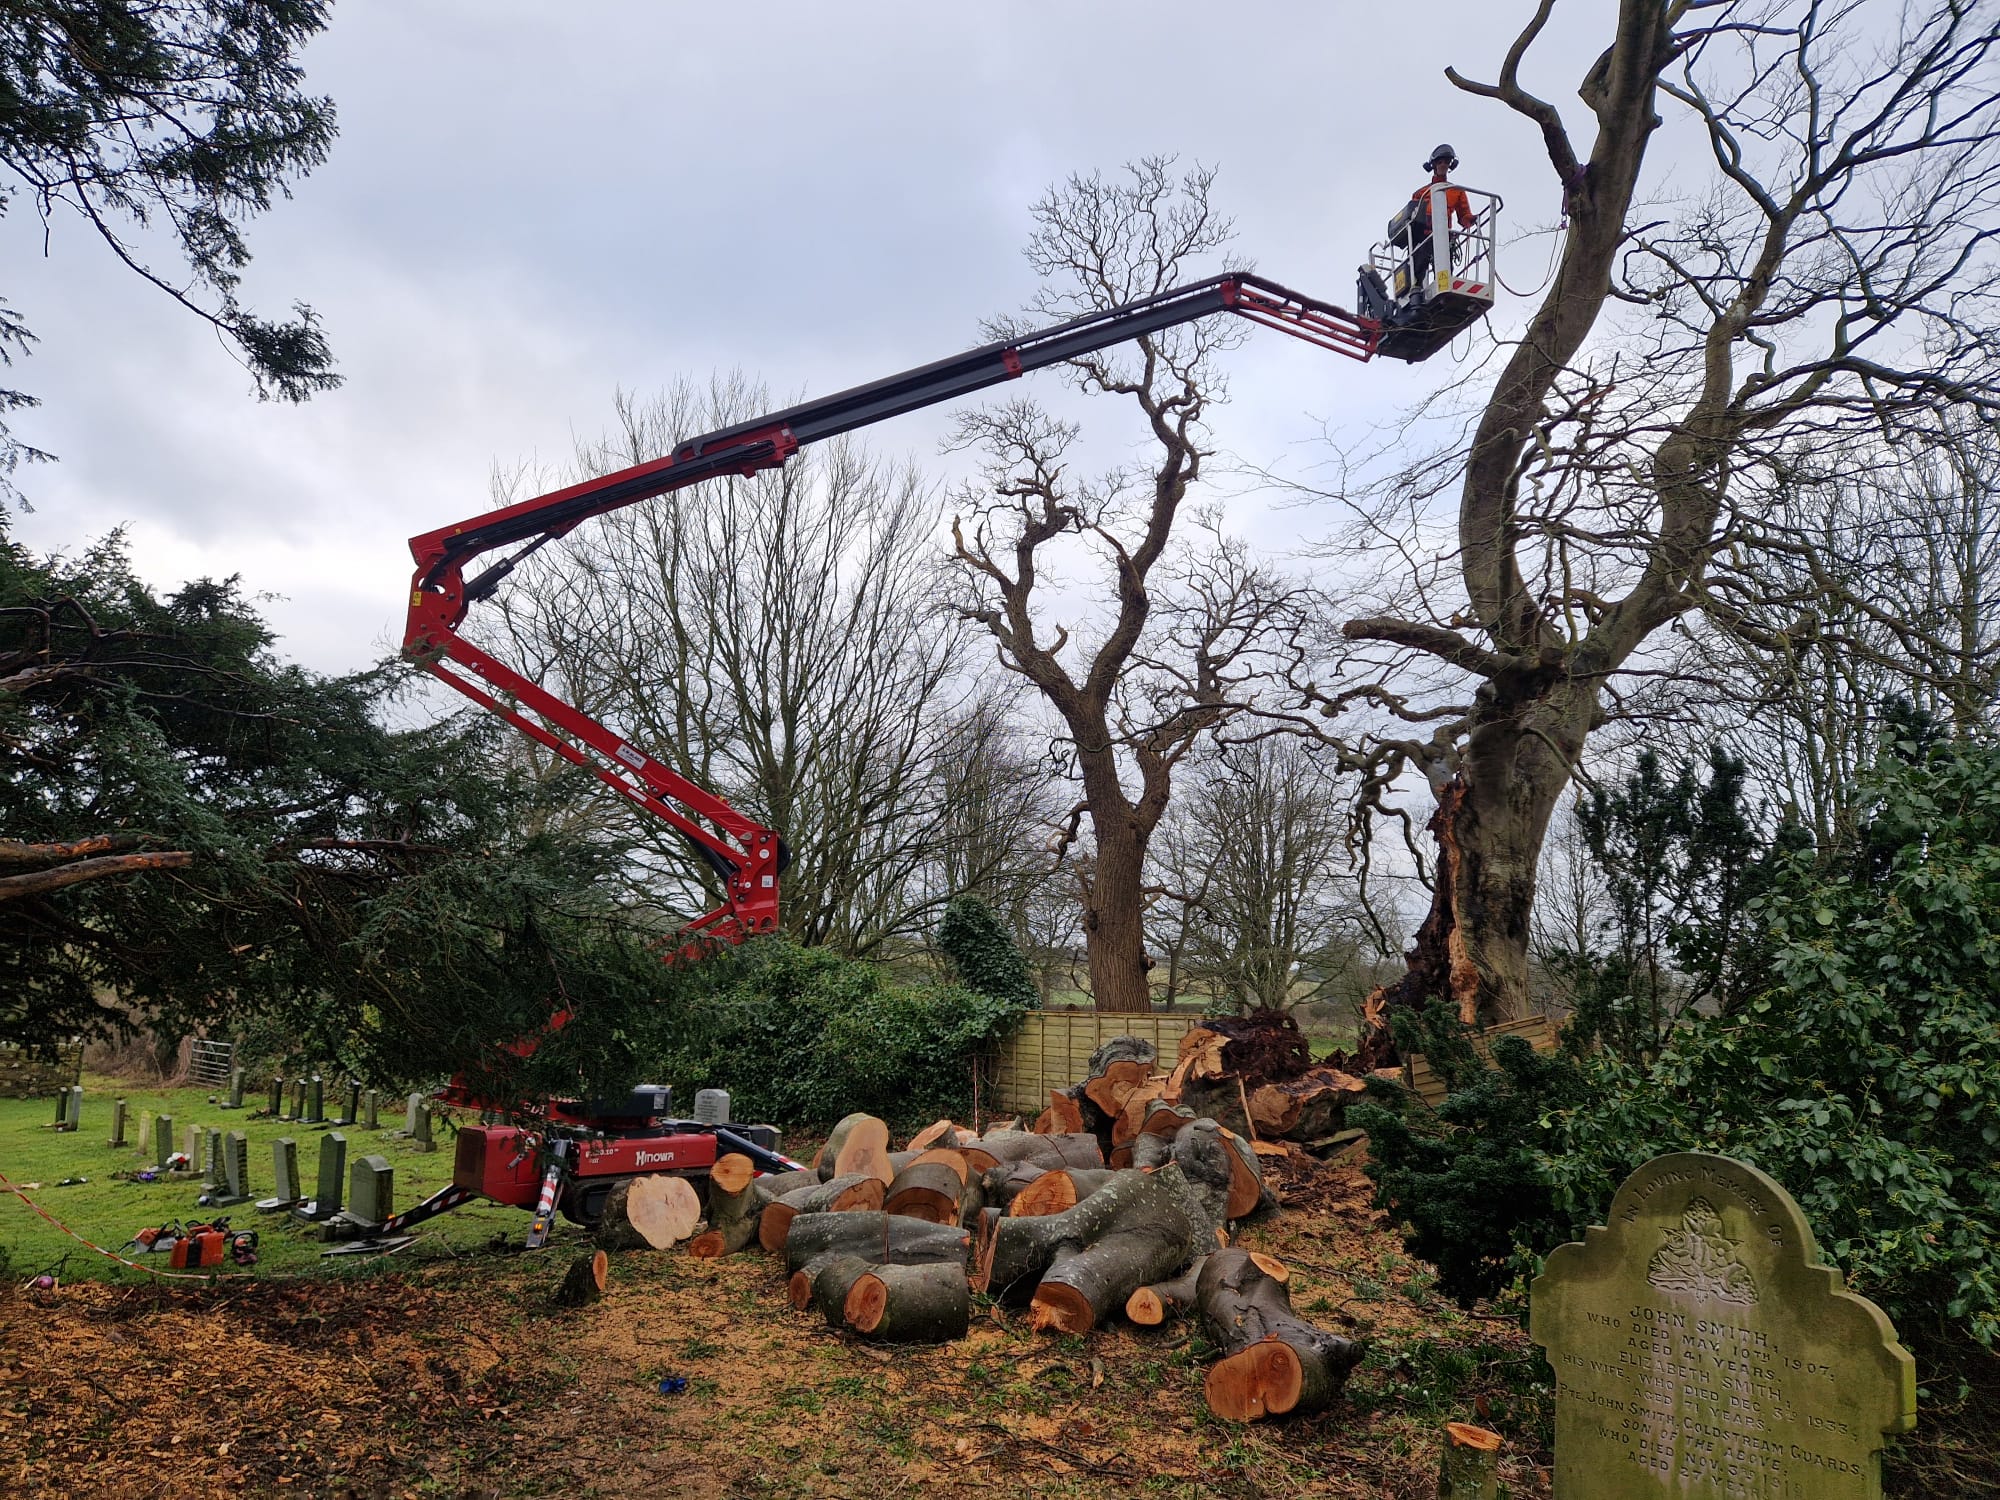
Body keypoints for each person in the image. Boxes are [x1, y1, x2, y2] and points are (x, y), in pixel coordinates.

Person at [1406, 144, 1475, 291]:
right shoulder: (1421, 193)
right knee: (1420, 262)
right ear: (1434, 165)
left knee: (1445, 265)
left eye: (1446, 162)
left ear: (1451, 165)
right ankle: (1416, 289)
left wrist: (1470, 220)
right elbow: (1411, 218)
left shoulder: (1456, 191)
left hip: (1443, 236)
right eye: (1440, 162)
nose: (1443, 164)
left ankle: (1444, 286)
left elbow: (1463, 215)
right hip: (1424, 237)